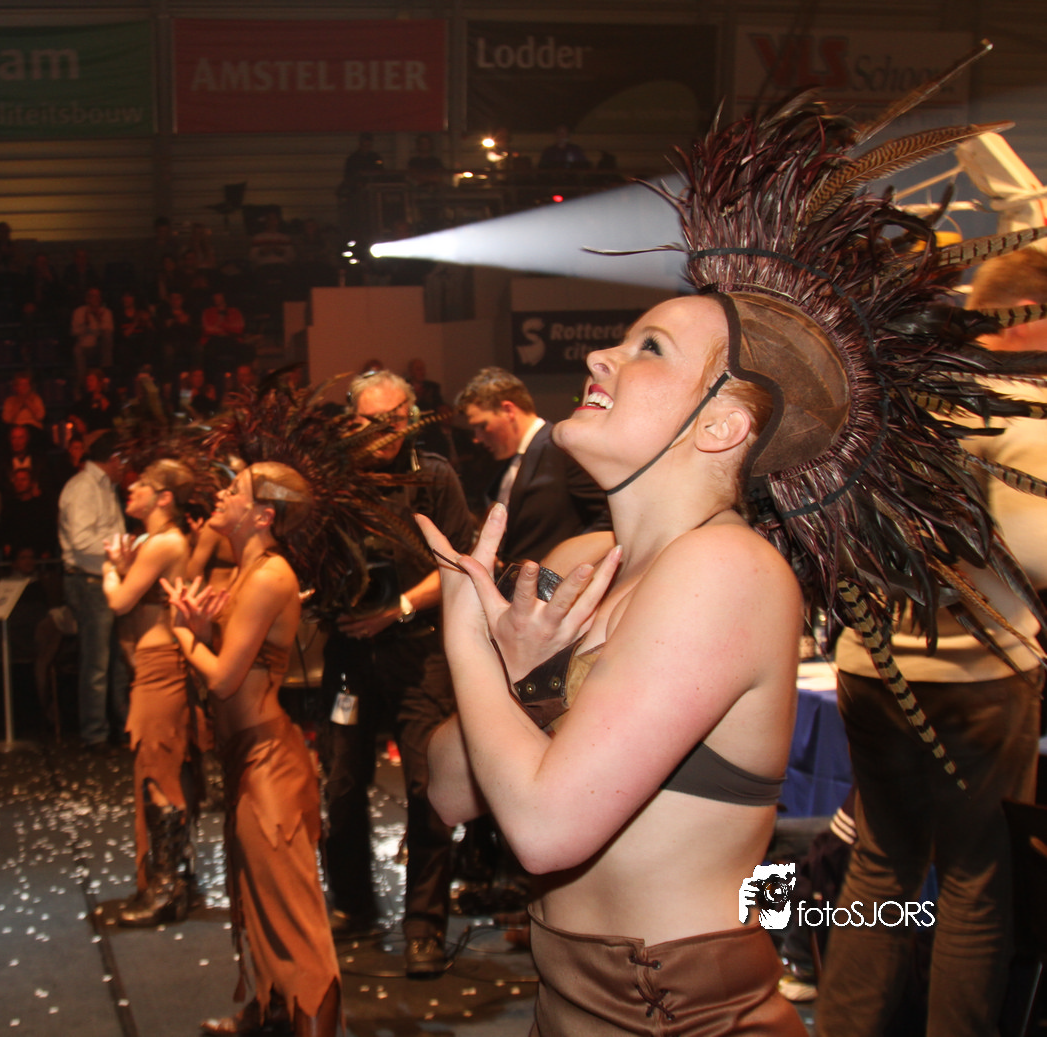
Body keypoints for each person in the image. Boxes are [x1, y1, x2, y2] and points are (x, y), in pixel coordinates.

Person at [420, 67, 1047, 1034]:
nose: (598, 356)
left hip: (674, 1014)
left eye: (648, 349)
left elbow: (543, 830)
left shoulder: (727, 570)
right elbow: (450, 789)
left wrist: (469, 636)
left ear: (721, 428)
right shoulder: (586, 557)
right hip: (568, 1006)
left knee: (940, 871)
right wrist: (514, 671)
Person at [817, 247, 1047, 1034]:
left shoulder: (892, 399)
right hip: (979, 677)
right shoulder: (1016, 406)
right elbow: (1037, 553)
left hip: (871, 668)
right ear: (1027, 318)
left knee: (879, 865)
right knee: (975, 881)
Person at [162, 380, 409, 1037]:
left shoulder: (268, 576)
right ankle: (271, 1014)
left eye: (236, 491)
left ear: (263, 515)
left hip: (269, 765)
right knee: (257, 899)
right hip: (248, 758)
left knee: (293, 915)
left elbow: (223, 681)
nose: (222, 495)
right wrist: (202, 626)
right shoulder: (247, 571)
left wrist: (183, 634)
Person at [320, 368, 475, 977]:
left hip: (417, 649)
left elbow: (458, 562)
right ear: (350, 421)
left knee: (426, 787)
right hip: (349, 652)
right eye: (371, 421)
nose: (384, 432)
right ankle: (353, 905)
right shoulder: (334, 479)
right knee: (341, 784)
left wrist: (399, 607)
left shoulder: (433, 475)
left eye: (394, 420)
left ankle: (424, 928)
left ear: (410, 418)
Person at [103, 458, 212, 926]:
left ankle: (166, 888)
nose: (131, 490)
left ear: (164, 497)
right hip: (155, 663)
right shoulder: (159, 541)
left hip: (161, 665)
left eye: (141, 485)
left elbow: (120, 600)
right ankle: (173, 881)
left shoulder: (164, 541)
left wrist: (109, 570)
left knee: (158, 768)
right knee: (161, 767)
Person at [456, 367, 609, 567]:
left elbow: (608, 518)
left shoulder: (563, 449)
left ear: (508, 410)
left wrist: (565, 564)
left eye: (482, 425)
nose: (477, 437)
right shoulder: (505, 463)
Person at [58, 429, 128, 749]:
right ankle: (94, 733)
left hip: (105, 578)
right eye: (123, 459)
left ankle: (120, 727)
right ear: (113, 459)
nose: (125, 467)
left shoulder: (104, 486)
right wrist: (122, 549)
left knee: (115, 659)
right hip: (88, 580)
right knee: (97, 661)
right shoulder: (82, 488)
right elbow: (82, 541)